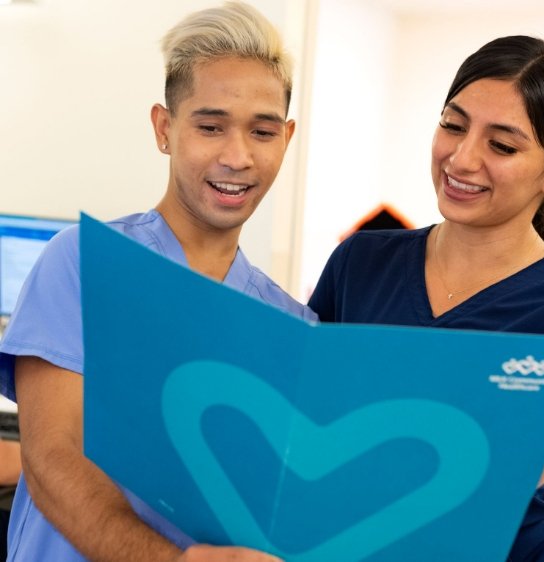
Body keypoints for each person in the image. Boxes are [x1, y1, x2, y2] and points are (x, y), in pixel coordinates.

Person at [0, 2, 315, 560]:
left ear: (285, 140)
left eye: (262, 132)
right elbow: (52, 458)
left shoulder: (293, 327)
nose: (237, 156)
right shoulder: (83, 263)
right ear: (165, 129)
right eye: (210, 126)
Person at [309, 35, 544, 560]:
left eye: (502, 146)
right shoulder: (361, 262)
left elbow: (498, 470)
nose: (461, 159)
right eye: (453, 125)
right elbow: (302, 408)